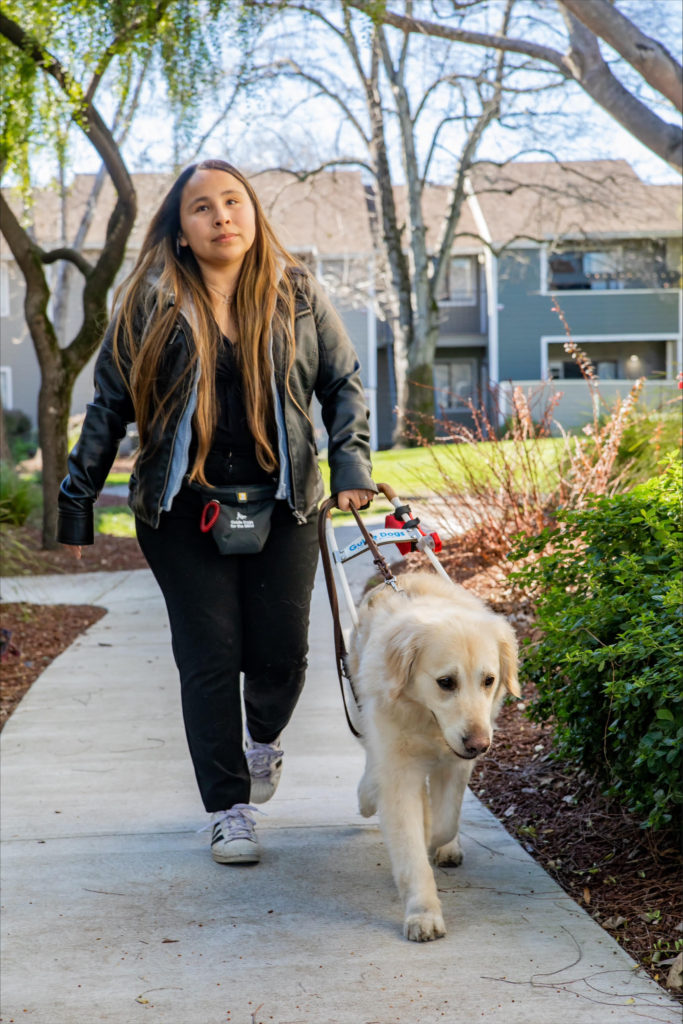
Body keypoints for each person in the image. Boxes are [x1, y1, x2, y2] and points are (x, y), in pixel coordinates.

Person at [57, 159, 376, 865]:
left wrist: (351, 468)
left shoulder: (296, 294)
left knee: (280, 656)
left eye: (233, 202)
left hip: (286, 499)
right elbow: (109, 405)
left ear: (254, 214)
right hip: (181, 508)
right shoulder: (149, 303)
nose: (222, 216)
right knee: (209, 657)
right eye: (202, 207)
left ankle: (261, 741)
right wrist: (75, 502)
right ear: (179, 231)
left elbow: (343, 384)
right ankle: (228, 807)